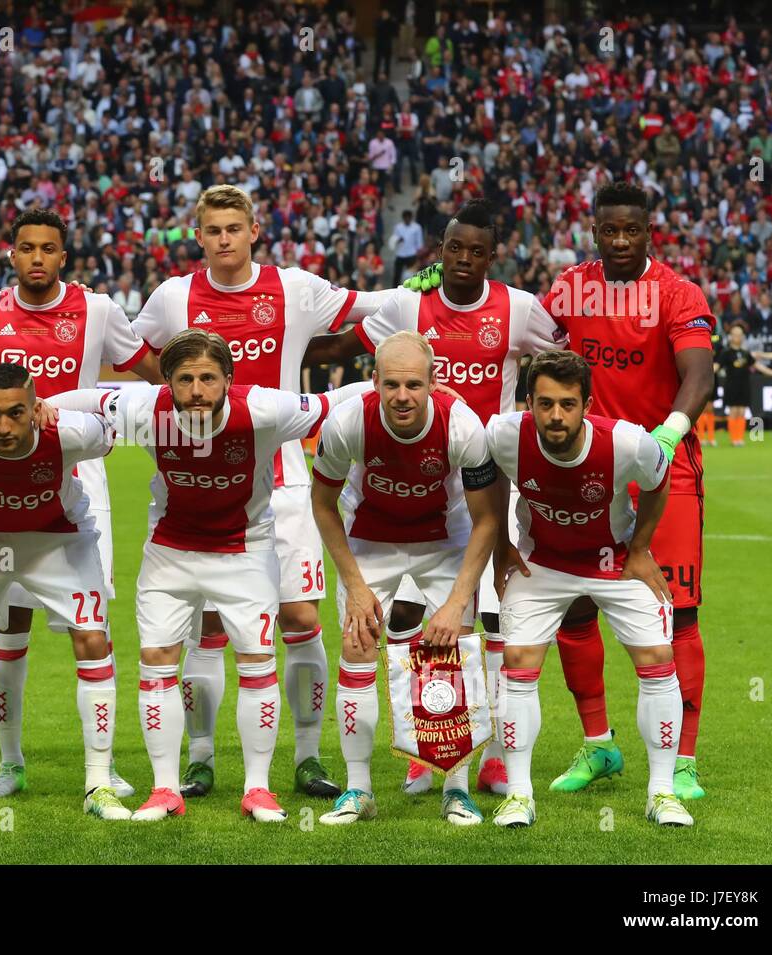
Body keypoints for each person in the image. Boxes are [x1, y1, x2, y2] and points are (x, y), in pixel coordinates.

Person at [131, 184, 397, 800]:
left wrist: (423, 293)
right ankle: (199, 759)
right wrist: (177, 399)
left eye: (234, 227)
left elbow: (373, 307)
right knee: (205, 626)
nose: (224, 239)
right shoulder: (174, 297)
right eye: (212, 230)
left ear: (255, 230)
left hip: (281, 485)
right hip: (200, 482)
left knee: (300, 618)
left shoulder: (296, 289)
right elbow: (131, 353)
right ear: (198, 236)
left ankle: (307, 757)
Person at [301, 198, 569, 796]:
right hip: (404, 492)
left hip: (486, 483)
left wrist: (539, 420)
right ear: (440, 251)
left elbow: (564, 361)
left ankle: (493, 754)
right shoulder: (404, 305)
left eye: (478, 251)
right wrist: (280, 357)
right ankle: (426, 746)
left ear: (492, 256)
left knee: (495, 624)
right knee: (403, 624)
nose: (466, 260)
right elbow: (346, 349)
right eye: (456, 248)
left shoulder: (519, 308)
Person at [51, 329, 374, 822]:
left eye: (207, 378)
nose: (196, 390)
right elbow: (90, 394)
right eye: (185, 380)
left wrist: (395, 381)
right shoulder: (146, 408)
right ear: (168, 383)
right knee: (157, 662)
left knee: (256, 662)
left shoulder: (263, 409)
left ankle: (258, 789)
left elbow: (332, 401)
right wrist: (40, 404)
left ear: (229, 379)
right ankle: (164, 790)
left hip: (244, 551)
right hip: (170, 553)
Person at [0, 208, 162, 799]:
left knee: (91, 631)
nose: (37, 257)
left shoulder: (100, 309)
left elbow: (152, 372)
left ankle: (102, 768)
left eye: (49, 248)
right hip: (5, 491)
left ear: (65, 256)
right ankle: (10, 764)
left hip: (77, 491)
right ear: (11, 255)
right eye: (26, 248)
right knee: (9, 631)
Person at [539, 183, 716, 799]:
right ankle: (599, 746)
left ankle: (684, 762)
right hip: (587, 471)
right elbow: (524, 336)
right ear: (594, 230)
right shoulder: (569, 289)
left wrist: (668, 434)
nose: (619, 241)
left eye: (630, 231)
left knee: (678, 613)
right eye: (609, 230)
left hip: (668, 472)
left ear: (648, 232)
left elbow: (699, 371)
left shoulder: (677, 293)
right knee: (575, 607)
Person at [487, 351, 693, 829]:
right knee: (517, 662)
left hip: (615, 563)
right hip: (542, 564)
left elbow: (660, 478)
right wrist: (501, 543)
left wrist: (640, 548)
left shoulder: (627, 443)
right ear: (529, 402)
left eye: (567, 404)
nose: (555, 416)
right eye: (544, 404)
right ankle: (519, 795)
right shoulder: (503, 434)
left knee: (657, 659)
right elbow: (487, 475)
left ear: (587, 404)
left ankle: (662, 792)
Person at [0, 362, 129, 823]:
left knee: (92, 641)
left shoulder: (72, 434)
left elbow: (108, 426)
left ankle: (99, 782)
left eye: (17, 412)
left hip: (61, 542)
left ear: (35, 408)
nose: (4, 426)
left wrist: (60, 405)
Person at [310, 331, 502, 827]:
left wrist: (458, 600)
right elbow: (323, 503)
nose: (402, 396)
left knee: (450, 654)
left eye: (414, 385)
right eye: (391, 384)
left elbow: (487, 519)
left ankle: (456, 790)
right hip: (369, 540)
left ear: (434, 383)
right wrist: (354, 586)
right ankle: (358, 790)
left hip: (445, 538)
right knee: (356, 650)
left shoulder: (462, 426)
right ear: (373, 382)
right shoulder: (349, 421)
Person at [714, 323, 772, 447]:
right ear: (731, 336)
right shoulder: (726, 353)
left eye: (739, 334)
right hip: (731, 385)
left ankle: (740, 437)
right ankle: (734, 438)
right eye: (735, 334)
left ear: (743, 336)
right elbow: (716, 366)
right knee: (733, 411)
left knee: (742, 411)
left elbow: (757, 365)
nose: (737, 337)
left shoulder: (746, 353)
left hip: (744, 385)